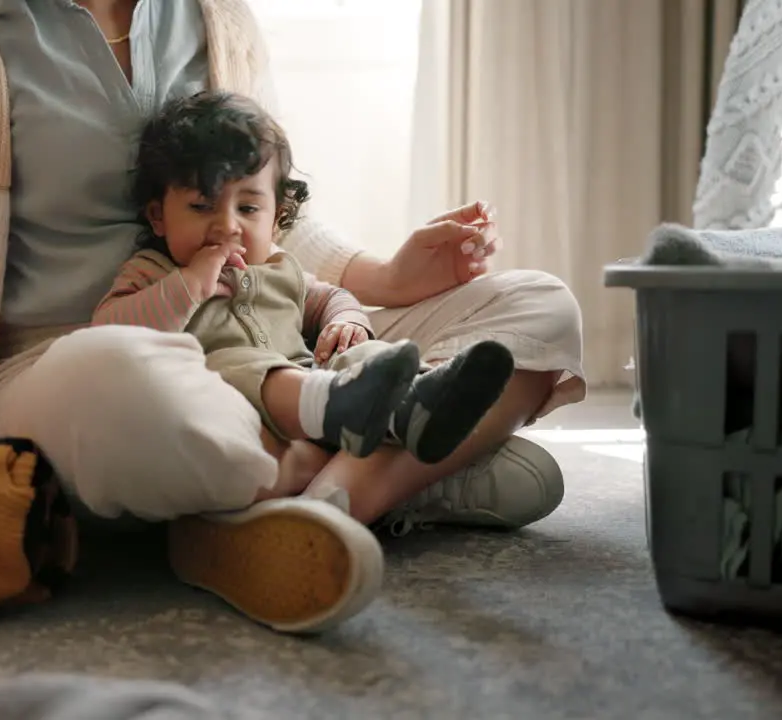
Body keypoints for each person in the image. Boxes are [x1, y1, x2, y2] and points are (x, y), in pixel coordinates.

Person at [0, 0, 586, 634]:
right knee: (123, 370)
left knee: (540, 306)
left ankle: (330, 504)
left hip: (267, 346)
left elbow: (263, 211)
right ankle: (404, 465)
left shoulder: (217, 16)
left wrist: (385, 278)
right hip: (74, 366)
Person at [93, 89, 517, 506]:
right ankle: (355, 413)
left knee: (364, 354)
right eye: (202, 207)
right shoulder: (152, 271)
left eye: (248, 208)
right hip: (240, 406)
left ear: (277, 216)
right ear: (158, 217)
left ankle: (421, 400)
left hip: (319, 388)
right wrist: (186, 287)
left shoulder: (281, 268)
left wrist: (347, 321)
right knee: (230, 363)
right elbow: (108, 332)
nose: (227, 226)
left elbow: (330, 296)